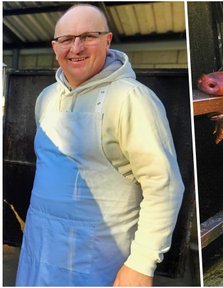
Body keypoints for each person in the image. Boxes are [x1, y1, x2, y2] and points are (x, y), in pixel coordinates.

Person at [15, 4, 185, 286]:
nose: (76, 48)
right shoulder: (45, 98)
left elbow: (163, 185)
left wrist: (141, 264)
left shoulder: (132, 98)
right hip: (39, 249)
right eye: (66, 40)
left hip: (96, 261)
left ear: (107, 41)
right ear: (54, 47)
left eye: (88, 36)